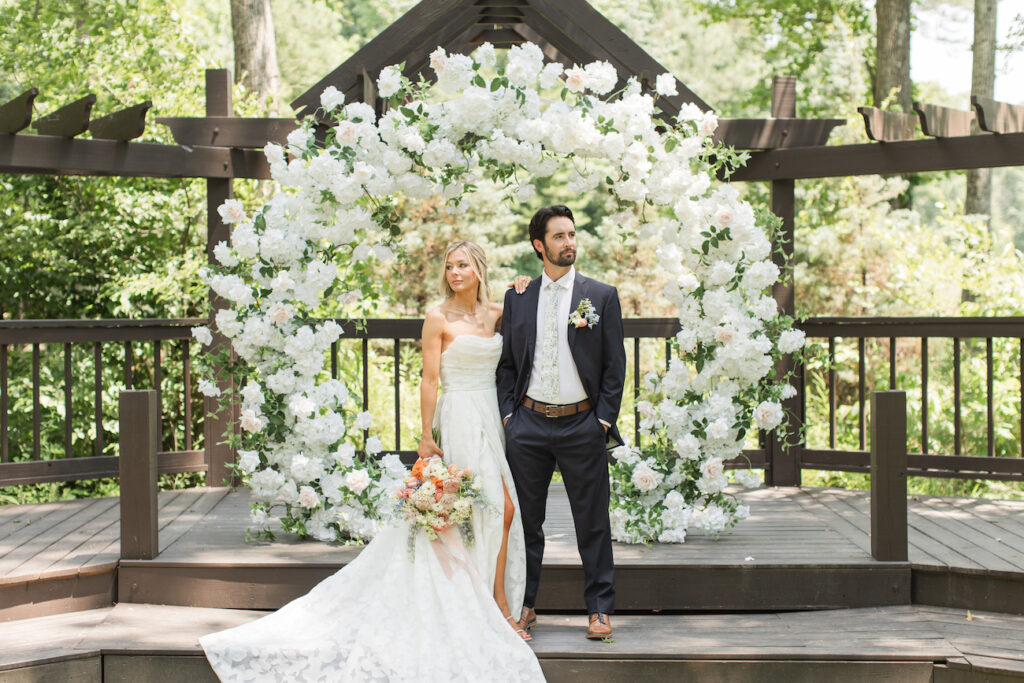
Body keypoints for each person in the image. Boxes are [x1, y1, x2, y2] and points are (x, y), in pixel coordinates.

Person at [200, 242, 545, 682]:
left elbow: (537, 306)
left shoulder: (498, 313)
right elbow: (429, 378)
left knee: (503, 509)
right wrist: (424, 436)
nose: (454, 272)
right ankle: (494, 606)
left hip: (489, 421)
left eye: (463, 265)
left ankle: (494, 600)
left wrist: (522, 286)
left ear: (479, 269)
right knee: (482, 508)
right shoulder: (437, 317)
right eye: (449, 266)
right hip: (457, 416)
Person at [497, 205, 626, 641]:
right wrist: (509, 417)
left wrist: (603, 421)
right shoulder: (518, 296)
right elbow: (507, 365)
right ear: (540, 245)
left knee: (592, 521)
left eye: (572, 234)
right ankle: (524, 604)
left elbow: (614, 367)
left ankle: (600, 610)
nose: (569, 242)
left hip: (582, 425)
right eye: (559, 237)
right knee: (525, 523)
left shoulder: (601, 296)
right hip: (528, 425)